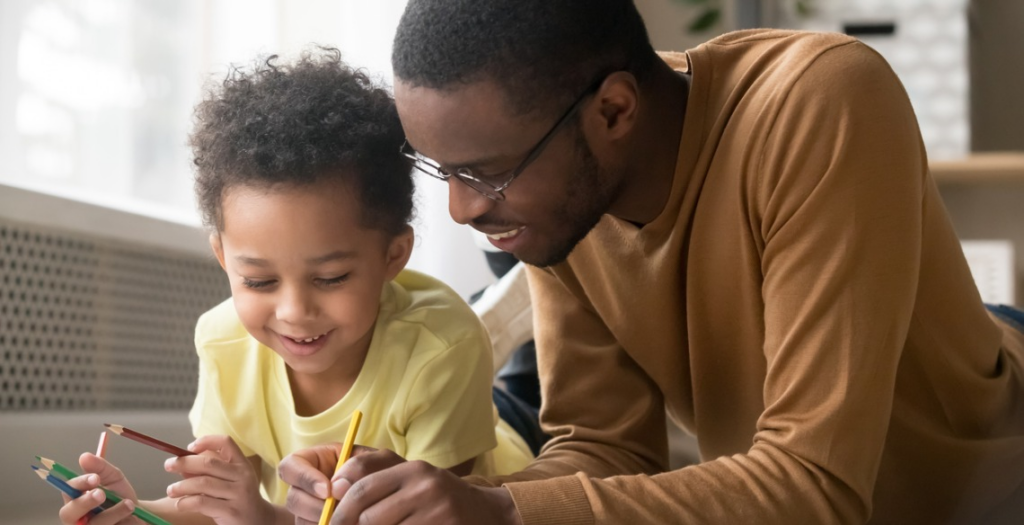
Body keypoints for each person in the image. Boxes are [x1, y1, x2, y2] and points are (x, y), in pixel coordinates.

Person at [278, 1, 1024, 524]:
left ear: (613, 111)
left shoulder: (820, 99)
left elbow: (815, 484)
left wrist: (504, 510)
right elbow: (605, 448)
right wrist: (440, 500)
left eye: (488, 172)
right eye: (444, 171)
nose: (464, 210)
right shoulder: (558, 195)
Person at [55, 48, 532, 525]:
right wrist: (132, 514)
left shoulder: (444, 347)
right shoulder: (222, 341)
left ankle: (524, 291)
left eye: (331, 278)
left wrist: (264, 516)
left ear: (393, 256)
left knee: (527, 381)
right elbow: (215, 511)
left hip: (512, 461)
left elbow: (429, 517)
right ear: (223, 257)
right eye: (259, 280)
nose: (294, 311)